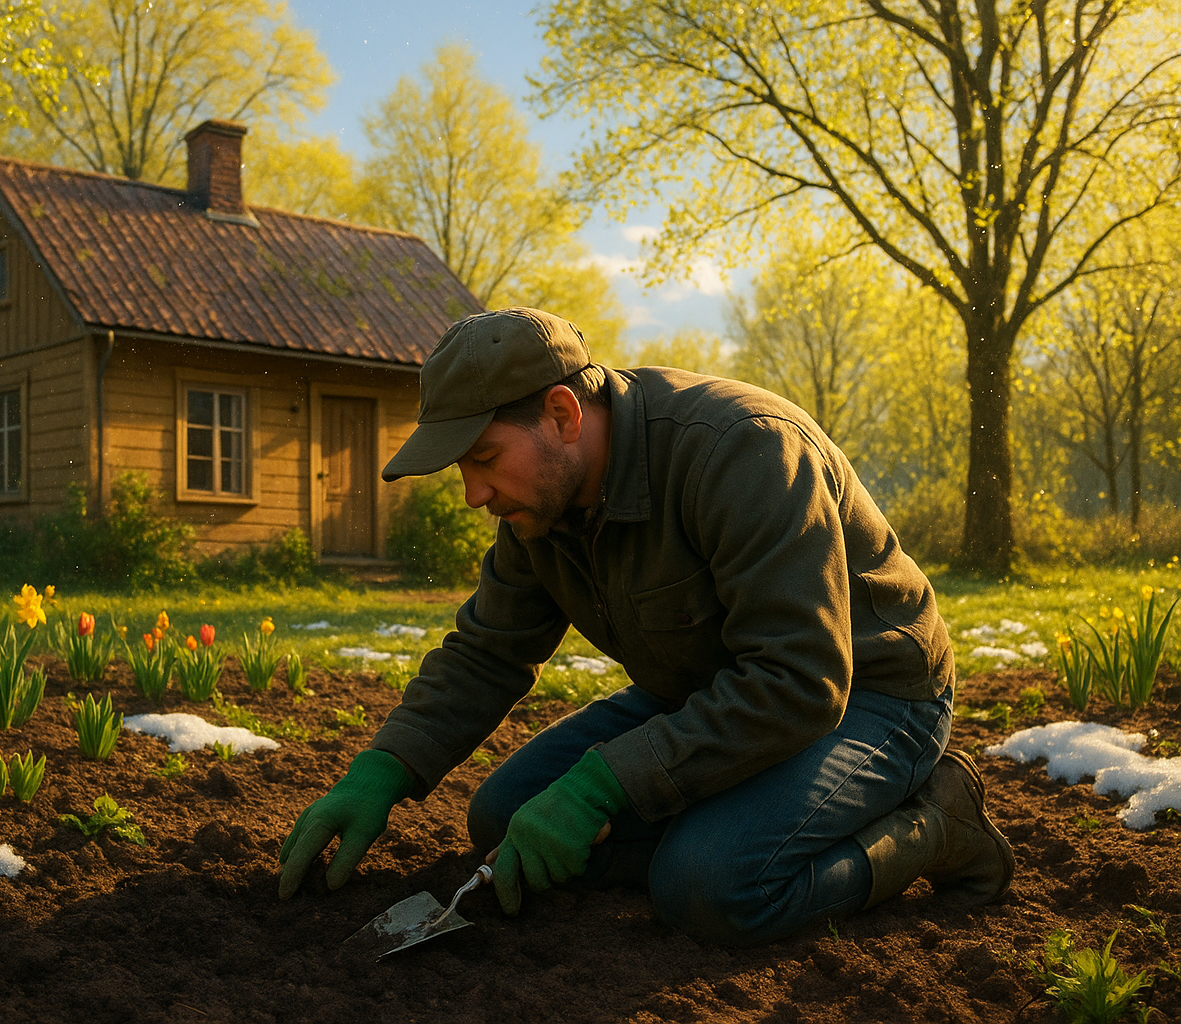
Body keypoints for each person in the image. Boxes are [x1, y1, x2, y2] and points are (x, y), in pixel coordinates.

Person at [276, 307, 1014, 946]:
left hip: (870, 695)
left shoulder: (744, 449)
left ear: (563, 414)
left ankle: (935, 825)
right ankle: (720, 821)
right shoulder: (540, 508)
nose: (473, 494)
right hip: (709, 692)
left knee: (710, 886)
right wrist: (384, 769)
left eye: (484, 458)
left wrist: (602, 788)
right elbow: (488, 652)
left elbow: (799, 680)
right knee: (504, 820)